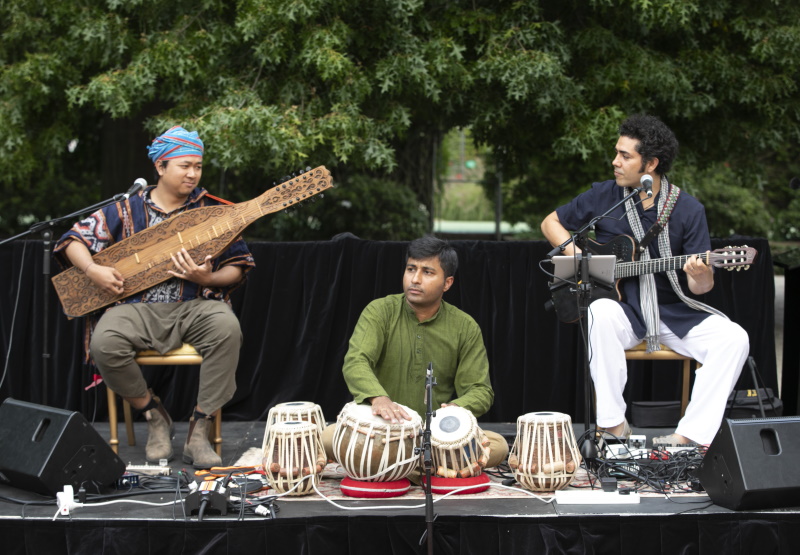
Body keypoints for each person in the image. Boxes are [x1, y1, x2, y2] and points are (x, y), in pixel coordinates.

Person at [541, 114, 749, 447]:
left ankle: (690, 437)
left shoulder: (688, 210)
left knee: (734, 338)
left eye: (625, 156)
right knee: (599, 313)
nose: (615, 162)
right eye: (617, 153)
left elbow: (702, 288)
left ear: (650, 163)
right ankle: (613, 426)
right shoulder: (605, 195)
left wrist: (700, 273)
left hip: (675, 312)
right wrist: (579, 257)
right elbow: (551, 222)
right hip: (626, 311)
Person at [55, 126, 255, 468]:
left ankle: (199, 427)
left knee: (227, 329)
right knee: (104, 343)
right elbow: (74, 239)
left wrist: (208, 277)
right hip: (136, 309)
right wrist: (93, 271)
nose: (193, 173)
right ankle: (152, 413)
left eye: (198, 166)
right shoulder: (126, 209)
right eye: (184, 166)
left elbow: (239, 266)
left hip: (195, 306)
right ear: (160, 167)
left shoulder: (213, 211)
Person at [322, 235, 508, 471]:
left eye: (428, 272)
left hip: (437, 436)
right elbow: (356, 361)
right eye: (411, 269)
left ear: (447, 283)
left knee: (498, 445)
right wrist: (379, 398)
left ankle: (401, 466)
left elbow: (480, 390)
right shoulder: (380, 311)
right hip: (381, 433)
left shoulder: (464, 326)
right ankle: (431, 467)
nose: (415, 279)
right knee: (328, 437)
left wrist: (453, 411)